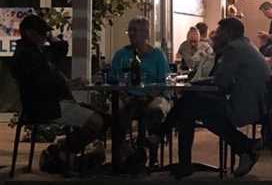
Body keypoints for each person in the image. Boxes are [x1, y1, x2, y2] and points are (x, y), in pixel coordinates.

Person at [168, 17, 271, 179]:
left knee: (189, 104)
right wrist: (201, 84)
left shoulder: (233, 49)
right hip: (259, 104)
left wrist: (197, 85)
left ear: (228, 33)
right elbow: (223, 80)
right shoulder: (247, 46)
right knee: (194, 107)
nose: (215, 35)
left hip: (244, 105)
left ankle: (167, 142)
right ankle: (246, 147)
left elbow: (221, 83)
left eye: (219, 32)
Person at [10, 15, 105, 168]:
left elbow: (61, 49)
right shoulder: (27, 56)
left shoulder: (35, 51)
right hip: (47, 107)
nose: (44, 37)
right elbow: (44, 84)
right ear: (29, 33)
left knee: (102, 116)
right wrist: (70, 84)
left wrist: (49, 36)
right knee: (96, 121)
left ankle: (62, 151)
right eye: (41, 33)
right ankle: (62, 152)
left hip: (53, 104)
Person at [110, 17, 171, 159]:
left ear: (146, 34)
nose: (131, 34)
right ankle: (122, 153)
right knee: (117, 111)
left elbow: (164, 81)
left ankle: (152, 150)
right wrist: (124, 94)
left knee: (155, 110)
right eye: (129, 30)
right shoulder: (121, 55)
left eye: (135, 30)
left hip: (153, 95)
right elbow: (113, 79)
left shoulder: (157, 55)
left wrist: (151, 95)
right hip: (128, 95)